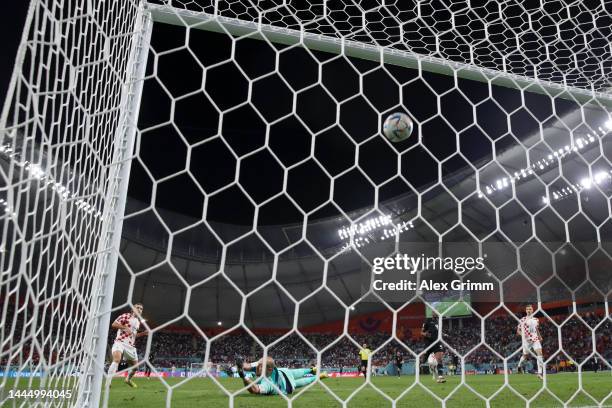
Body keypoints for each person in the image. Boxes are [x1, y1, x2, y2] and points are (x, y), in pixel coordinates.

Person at [235, 356, 328, 395]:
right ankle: (312, 370)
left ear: (269, 369)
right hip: (284, 372)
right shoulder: (264, 365)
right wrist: (241, 364)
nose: (257, 368)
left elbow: (254, 390)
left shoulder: (268, 383)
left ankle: (318, 376)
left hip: (288, 385)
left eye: (260, 367)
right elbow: (248, 366)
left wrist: (244, 377)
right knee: (298, 372)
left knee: (302, 382)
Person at [106, 303, 148, 388]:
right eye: (137, 308)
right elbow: (114, 324)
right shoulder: (126, 316)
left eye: (141, 309)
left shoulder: (138, 322)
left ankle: (128, 379)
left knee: (135, 367)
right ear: (133, 309)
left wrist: (143, 333)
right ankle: (108, 382)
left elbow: (133, 335)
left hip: (130, 346)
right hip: (120, 342)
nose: (139, 309)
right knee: (116, 360)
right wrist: (124, 327)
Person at [516, 304, 545, 380]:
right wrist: (524, 336)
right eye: (527, 309)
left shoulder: (536, 320)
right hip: (527, 341)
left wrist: (540, 336)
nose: (529, 310)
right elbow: (518, 331)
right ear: (526, 311)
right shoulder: (522, 320)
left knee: (540, 353)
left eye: (530, 309)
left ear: (532, 310)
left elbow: (536, 329)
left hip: (535, 339)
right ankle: (519, 366)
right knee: (525, 356)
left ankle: (539, 373)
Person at [422, 312, 446, 383]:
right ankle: (417, 370)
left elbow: (438, 331)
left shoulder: (439, 321)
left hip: (437, 342)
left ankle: (440, 377)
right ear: (432, 313)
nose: (436, 313)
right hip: (429, 343)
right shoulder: (427, 321)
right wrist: (426, 334)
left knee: (439, 358)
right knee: (423, 360)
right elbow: (422, 332)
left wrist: (443, 334)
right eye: (434, 312)